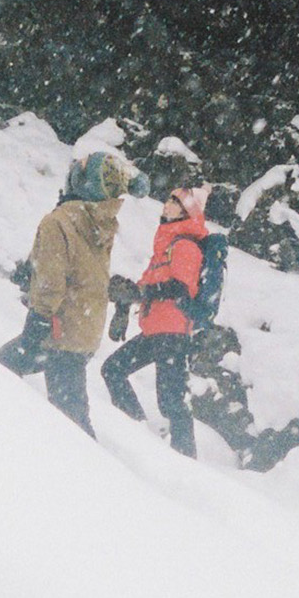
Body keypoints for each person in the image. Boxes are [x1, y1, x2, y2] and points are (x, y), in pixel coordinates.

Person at [0, 149, 142, 435]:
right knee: (71, 410)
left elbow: (52, 282)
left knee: (0, 372)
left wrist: (35, 326)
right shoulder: (100, 221)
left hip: (57, 333)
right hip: (83, 332)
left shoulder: (58, 221)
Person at [101, 182, 230, 456]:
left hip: (172, 333)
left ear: (186, 212)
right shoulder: (168, 245)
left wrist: (140, 292)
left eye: (175, 201)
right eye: (169, 199)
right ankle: (137, 432)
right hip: (157, 331)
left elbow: (181, 288)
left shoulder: (184, 246)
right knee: (114, 370)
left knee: (171, 404)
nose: (167, 204)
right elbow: (151, 285)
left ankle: (184, 462)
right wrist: (126, 303)